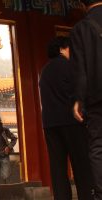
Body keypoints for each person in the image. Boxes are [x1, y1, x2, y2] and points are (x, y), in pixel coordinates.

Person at [39, 36, 93, 200]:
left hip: (50, 123)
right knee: (81, 163)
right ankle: (86, 196)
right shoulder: (71, 66)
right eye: (70, 48)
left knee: (57, 166)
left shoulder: (45, 70)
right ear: (63, 48)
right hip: (71, 120)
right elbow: (80, 91)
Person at [71, 1, 102, 199]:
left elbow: (80, 71)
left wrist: (78, 100)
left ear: (83, 4)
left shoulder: (80, 29)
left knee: (98, 146)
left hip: (96, 97)